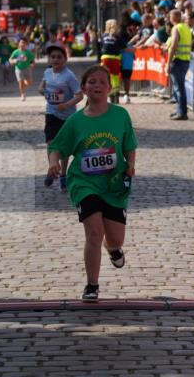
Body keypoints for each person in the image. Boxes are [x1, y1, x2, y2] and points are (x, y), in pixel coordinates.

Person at [47, 65, 137, 303]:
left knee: (115, 238)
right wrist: (54, 163)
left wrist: (131, 164)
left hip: (114, 184)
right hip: (84, 182)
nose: (97, 86)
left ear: (109, 87)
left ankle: (113, 248)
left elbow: (130, 144)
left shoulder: (120, 115)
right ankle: (92, 285)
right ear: (84, 88)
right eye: (91, 82)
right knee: (94, 232)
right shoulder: (76, 121)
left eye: (102, 82)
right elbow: (56, 147)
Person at [39, 44, 83, 189]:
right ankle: (52, 169)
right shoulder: (47, 72)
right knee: (51, 142)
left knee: (64, 147)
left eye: (59, 57)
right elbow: (42, 85)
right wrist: (41, 90)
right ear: (49, 59)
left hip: (67, 116)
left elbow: (79, 95)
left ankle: (63, 173)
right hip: (51, 113)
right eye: (53, 57)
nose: (56, 59)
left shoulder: (69, 76)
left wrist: (67, 104)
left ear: (65, 59)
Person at [165, 8, 192, 121]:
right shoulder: (186, 27)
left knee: (178, 88)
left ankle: (182, 112)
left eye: (170, 16)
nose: (169, 19)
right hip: (185, 60)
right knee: (180, 87)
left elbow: (174, 45)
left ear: (175, 17)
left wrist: (168, 62)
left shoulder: (176, 28)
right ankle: (180, 110)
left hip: (177, 60)